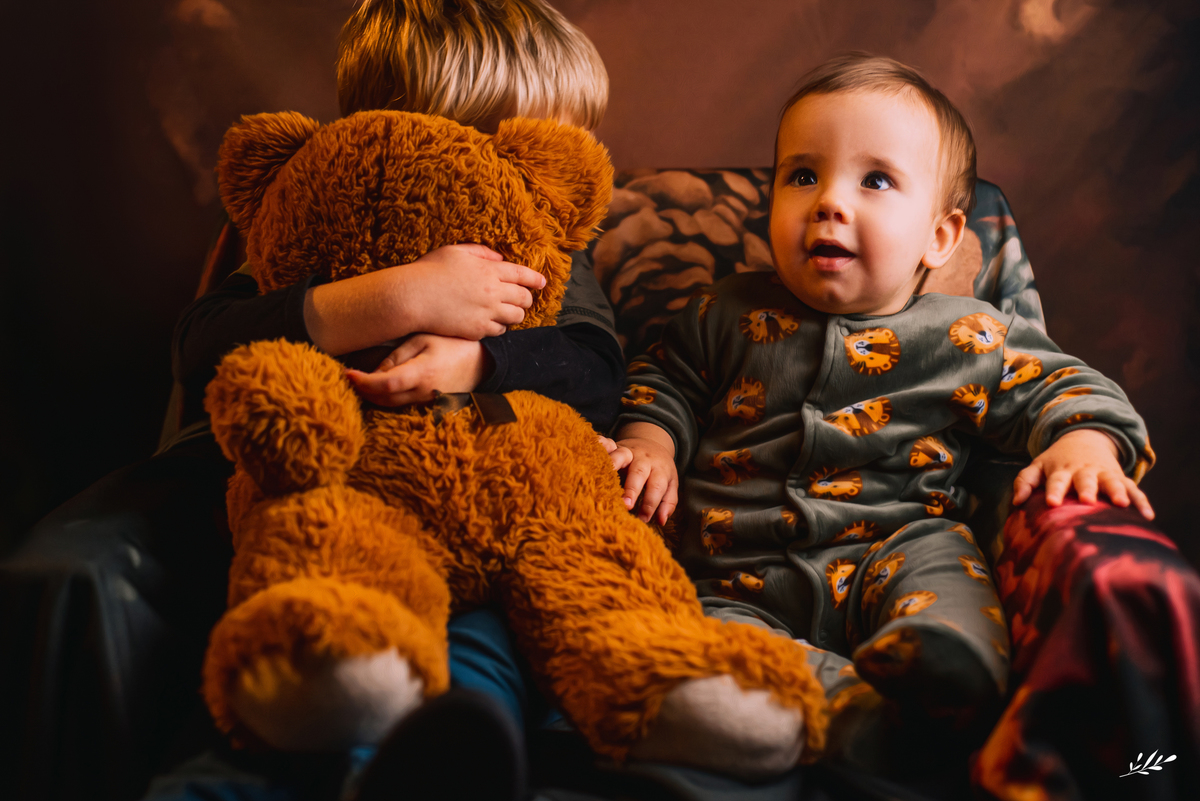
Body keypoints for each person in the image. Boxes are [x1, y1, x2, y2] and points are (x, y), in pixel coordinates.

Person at [608, 53, 1156, 754]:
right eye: (802, 175)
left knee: (953, 593)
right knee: (703, 644)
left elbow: (1071, 386)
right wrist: (650, 436)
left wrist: (1085, 442)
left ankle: (940, 671)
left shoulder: (968, 332)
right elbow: (664, 379)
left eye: (875, 180)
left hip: (897, 545)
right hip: (735, 572)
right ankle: (854, 711)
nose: (829, 201)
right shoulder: (724, 311)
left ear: (940, 236)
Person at [148, 2, 621, 799]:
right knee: (297, 666)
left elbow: (595, 370)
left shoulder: (550, 261)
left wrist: (479, 361)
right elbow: (204, 347)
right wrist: (394, 297)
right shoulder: (303, 230)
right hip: (324, 521)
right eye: (528, 151)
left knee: (472, 653)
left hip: (474, 531)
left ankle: (415, 765)